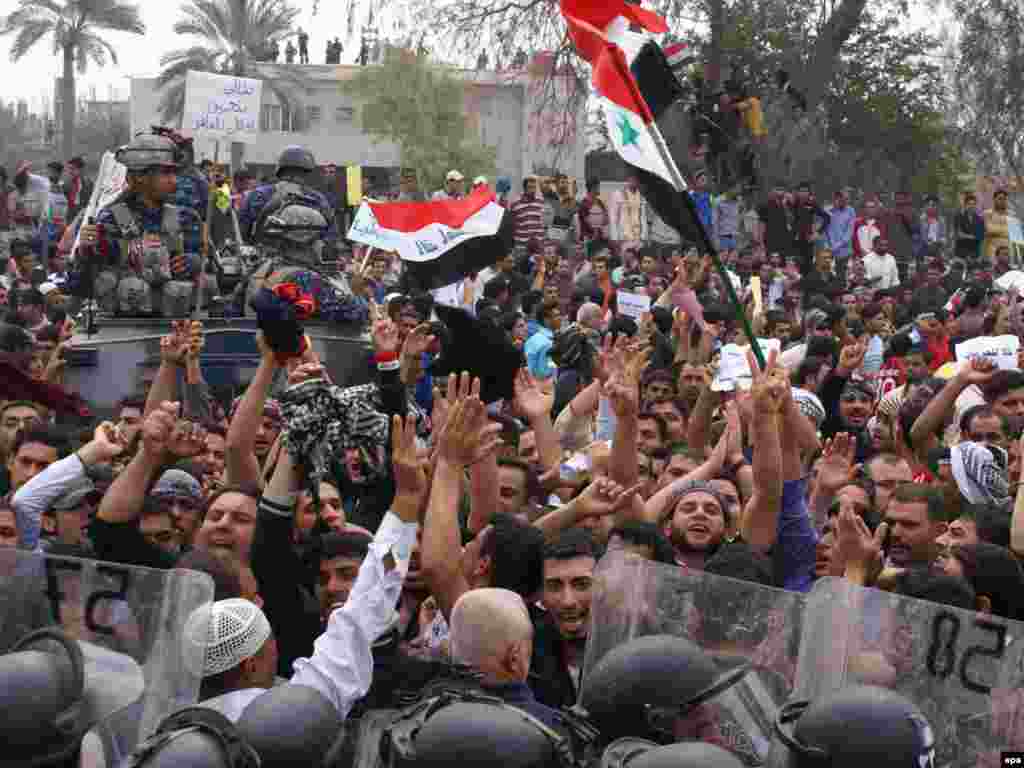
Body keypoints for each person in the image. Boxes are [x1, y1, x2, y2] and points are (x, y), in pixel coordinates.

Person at [78, 130, 193, 317]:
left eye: (174, 173)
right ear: (139, 177)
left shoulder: (183, 217)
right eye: (165, 173)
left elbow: (210, 272)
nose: (174, 181)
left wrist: (190, 263)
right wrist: (85, 251)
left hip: (175, 327)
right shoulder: (116, 218)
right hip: (123, 326)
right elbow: (81, 285)